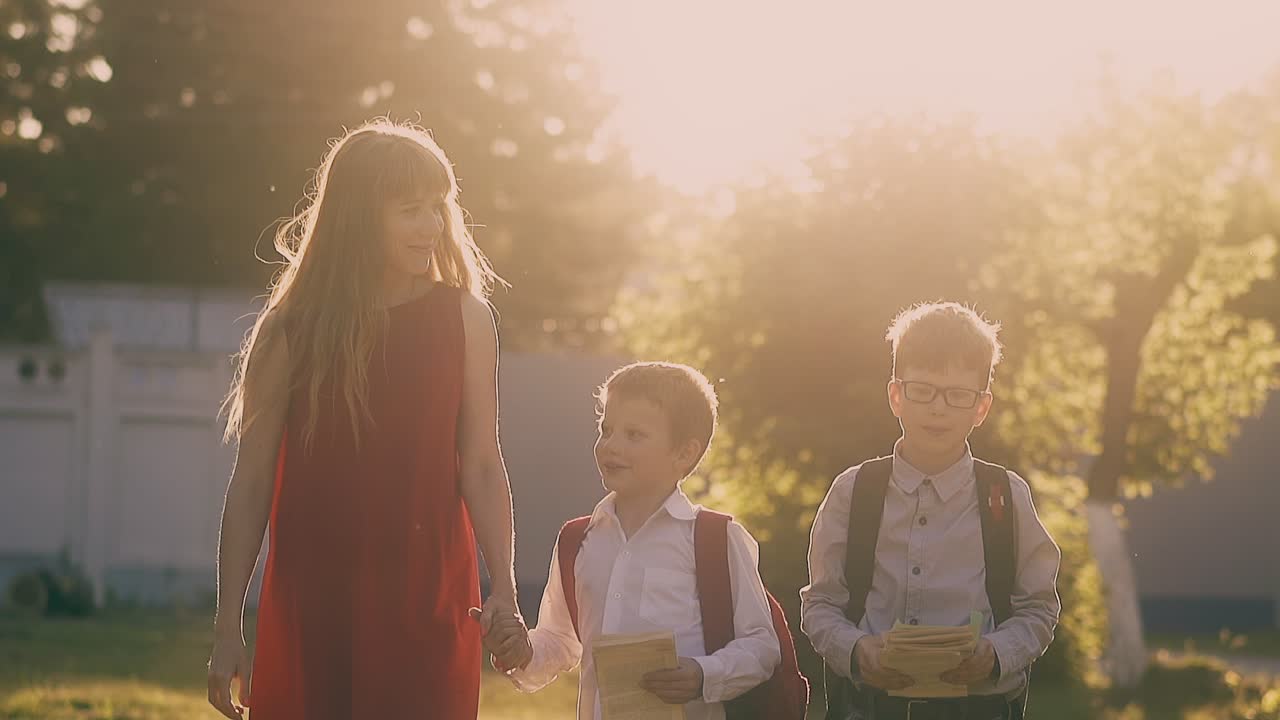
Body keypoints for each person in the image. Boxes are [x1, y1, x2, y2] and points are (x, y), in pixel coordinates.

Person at [207, 119, 517, 720]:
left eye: (437, 208)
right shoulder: (290, 329)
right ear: (357, 217)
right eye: (410, 210)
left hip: (429, 595)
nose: (431, 226)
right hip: (314, 598)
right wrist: (227, 628)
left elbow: (481, 462)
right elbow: (250, 484)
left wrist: (503, 585)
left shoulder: (466, 320)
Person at [801, 301, 1061, 720]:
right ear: (896, 395)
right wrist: (856, 649)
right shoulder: (853, 492)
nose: (938, 408)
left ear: (981, 408)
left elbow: (1039, 607)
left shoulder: (1005, 497)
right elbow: (821, 604)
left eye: (958, 395)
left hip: (979, 709)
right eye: (922, 390)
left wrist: (996, 653)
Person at [485, 362, 781, 720]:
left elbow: (762, 646)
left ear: (684, 453)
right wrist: (522, 651)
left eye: (634, 435)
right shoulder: (578, 540)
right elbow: (561, 641)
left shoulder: (717, 539)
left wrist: (703, 674)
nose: (611, 446)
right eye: (605, 430)